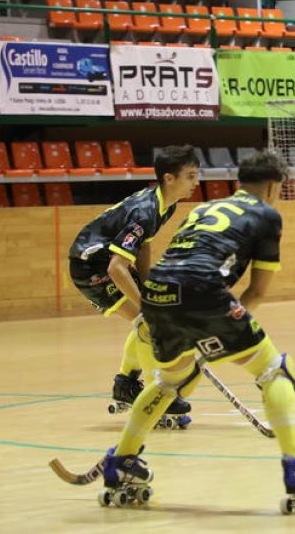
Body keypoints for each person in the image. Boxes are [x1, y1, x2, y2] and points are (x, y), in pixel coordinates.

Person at [98, 150, 295, 514]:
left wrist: (209, 334)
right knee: (275, 370)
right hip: (204, 290)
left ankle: (123, 461)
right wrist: (224, 331)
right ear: (272, 187)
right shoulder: (267, 215)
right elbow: (257, 291)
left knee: (167, 382)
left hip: (156, 294)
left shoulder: (203, 208)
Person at [68, 145, 201, 423]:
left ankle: (126, 384)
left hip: (108, 262)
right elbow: (116, 267)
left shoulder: (165, 204)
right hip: (92, 268)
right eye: (190, 176)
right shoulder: (145, 210)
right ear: (169, 178)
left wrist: (147, 284)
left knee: (147, 317)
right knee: (145, 323)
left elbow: (143, 244)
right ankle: (158, 394)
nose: (196, 183)